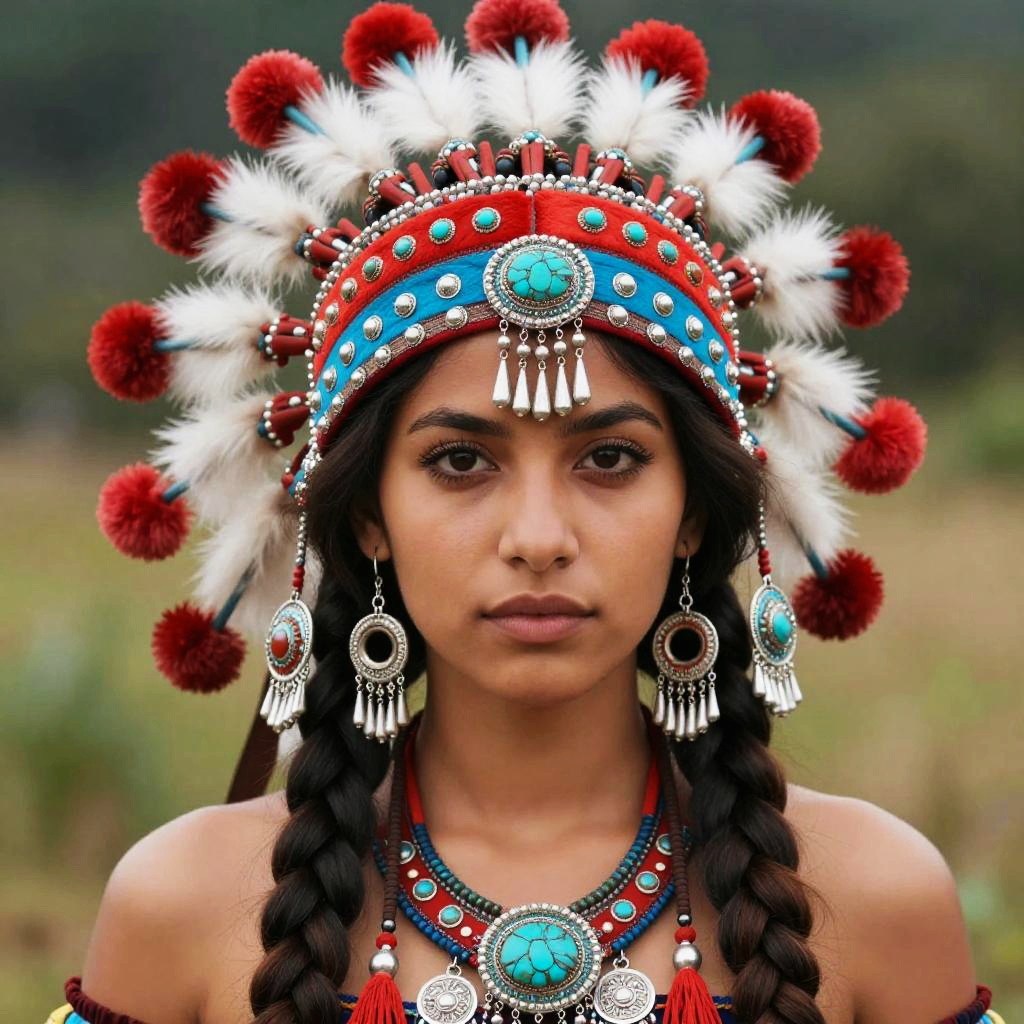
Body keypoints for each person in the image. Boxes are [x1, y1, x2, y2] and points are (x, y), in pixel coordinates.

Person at [49, 2, 1003, 1023]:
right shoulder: (182, 907)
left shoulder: (874, 901)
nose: (539, 538)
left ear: (694, 511)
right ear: (368, 513)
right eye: (460, 460)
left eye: (610, 458)